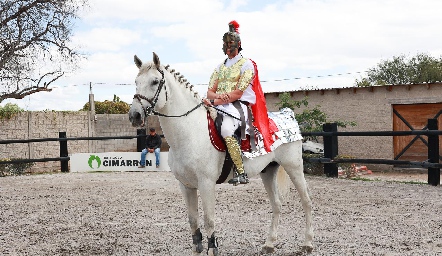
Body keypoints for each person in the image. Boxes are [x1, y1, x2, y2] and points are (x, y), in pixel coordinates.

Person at [203, 20, 271, 185]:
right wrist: (218, 98)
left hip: (238, 106)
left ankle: (241, 171)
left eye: (231, 43)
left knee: (226, 129)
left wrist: (218, 98)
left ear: (239, 44)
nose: (228, 47)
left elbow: (238, 93)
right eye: (225, 44)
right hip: (219, 104)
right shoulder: (219, 67)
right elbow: (209, 91)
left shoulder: (247, 64)